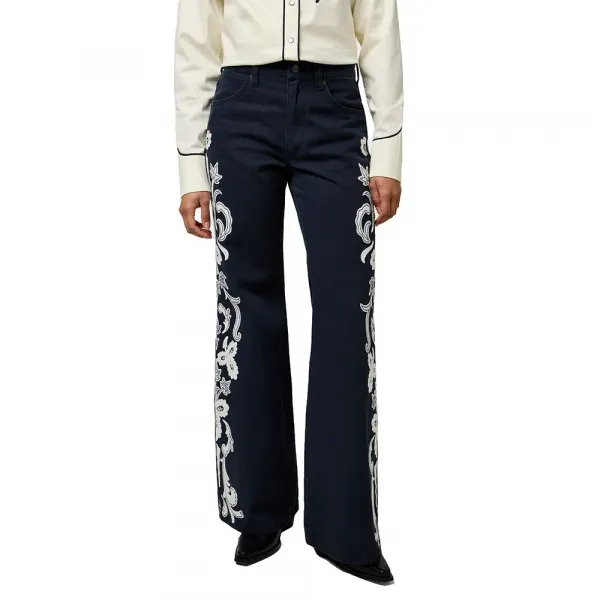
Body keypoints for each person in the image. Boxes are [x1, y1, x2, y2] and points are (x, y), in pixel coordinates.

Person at [174, 0, 403, 586]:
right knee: (245, 310)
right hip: (240, 105)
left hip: (335, 108)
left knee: (347, 311)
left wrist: (388, 150)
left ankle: (346, 528)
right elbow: (197, 31)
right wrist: (191, 163)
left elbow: (378, 22)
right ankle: (259, 508)